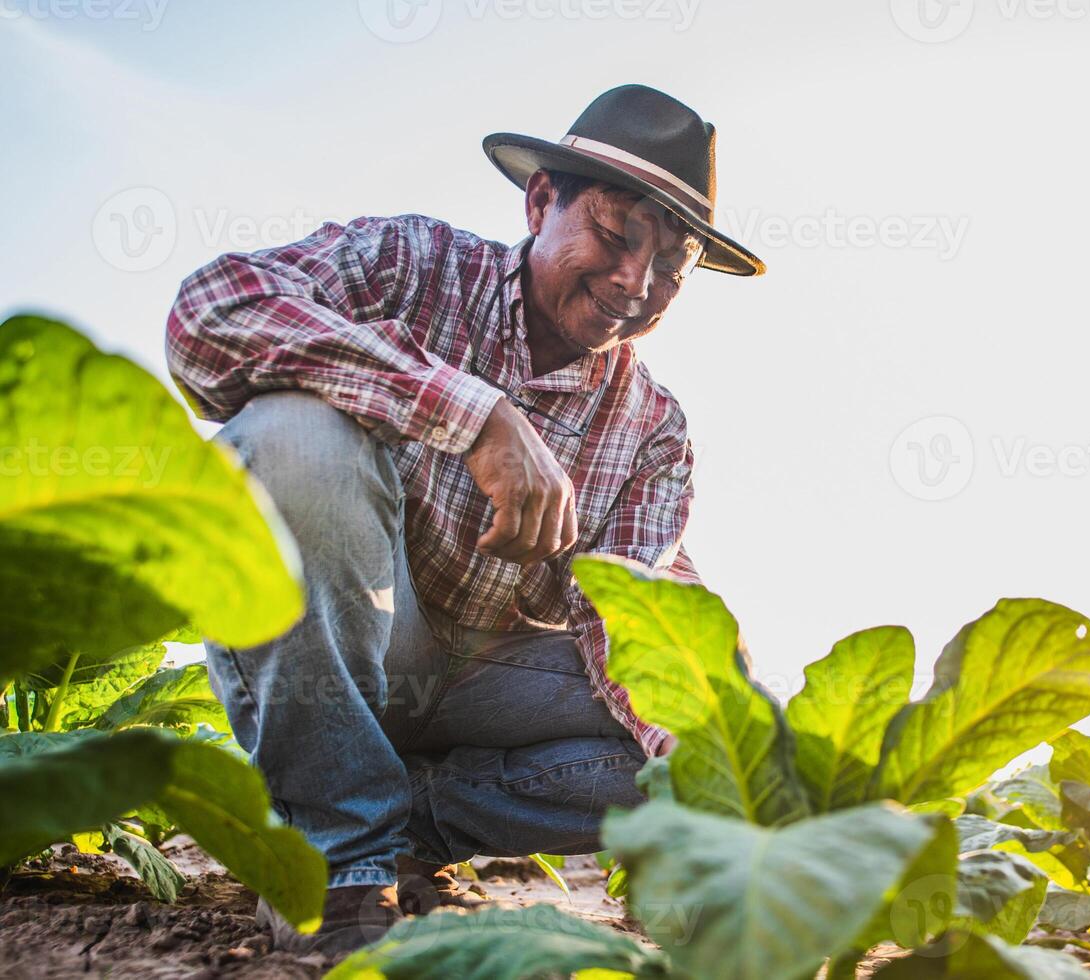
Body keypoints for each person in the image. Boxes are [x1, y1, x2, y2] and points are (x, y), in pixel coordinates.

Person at [164, 83, 765, 956]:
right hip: (354, 642)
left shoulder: (652, 429)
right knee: (292, 437)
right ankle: (337, 867)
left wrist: (703, 774)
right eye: (613, 233)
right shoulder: (412, 265)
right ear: (539, 202)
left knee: (726, 709)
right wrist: (469, 412)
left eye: (671, 263)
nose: (636, 283)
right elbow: (212, 312)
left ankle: (418, 825)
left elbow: (628, 613)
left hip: (491, 685)